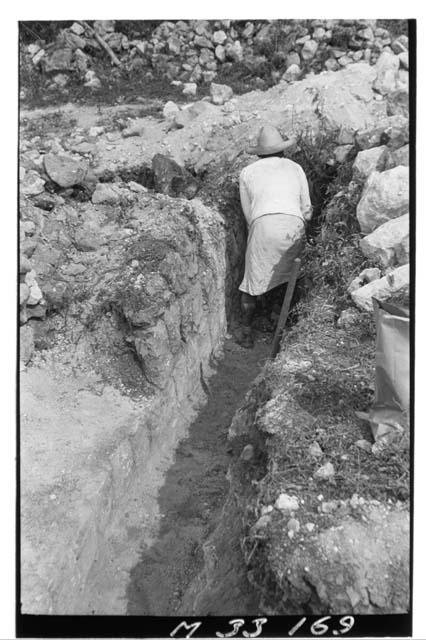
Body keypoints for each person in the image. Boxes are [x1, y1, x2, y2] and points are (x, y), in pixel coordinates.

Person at [238, 124, 312, 347]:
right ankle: (281, 324)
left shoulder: (247, 172)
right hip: (293, 224)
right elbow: (307, 209)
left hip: (263, 224)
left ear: (259, 152)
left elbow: (248, 215)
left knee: (252, 281)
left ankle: (246, 332)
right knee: (290, 278)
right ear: (282, 149)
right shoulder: (296, 168)